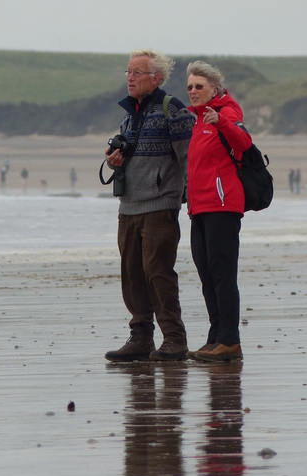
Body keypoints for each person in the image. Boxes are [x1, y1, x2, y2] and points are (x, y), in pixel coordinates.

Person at [104, 49, 195, 362]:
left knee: (158, 274)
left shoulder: (174, 110)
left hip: (160, 206)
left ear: (155, 78)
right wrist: (114, 160)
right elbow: (130, 161)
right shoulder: (128, 116)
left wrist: (190, 199)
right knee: (131, 276)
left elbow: (189, 160)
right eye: (128, 72)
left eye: (137, 73)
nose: (129, 78)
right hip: (128, 207)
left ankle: (174, 339)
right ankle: (141, 337)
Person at [185, 60, 252, 362]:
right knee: (207, 273)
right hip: (198, 207)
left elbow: (244, 142)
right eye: (189, 87)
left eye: (199, 86)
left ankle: (230, 340)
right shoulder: (197, 119)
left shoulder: (227, 111)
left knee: (223, 273)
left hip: (223, 206)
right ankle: (216, 337)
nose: (193, 91)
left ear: (214, 87)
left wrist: (221, 121)